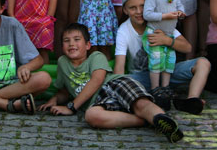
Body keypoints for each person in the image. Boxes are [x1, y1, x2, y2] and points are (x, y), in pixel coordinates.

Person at [40, 23, 184, 144]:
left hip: (115, 84)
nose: (71, 44)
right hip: (99, 101)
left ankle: (163, 120)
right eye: (66, 40)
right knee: (91, 116)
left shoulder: (96, 56)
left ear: (88, 45)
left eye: (77, 39)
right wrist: (54, 100)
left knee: (140, 104)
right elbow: (65, 90)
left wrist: (72, 107)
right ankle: (150, 121)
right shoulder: (62, 63)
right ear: (62, 46)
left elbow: (97, 80)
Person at [114, 0, 208, 115]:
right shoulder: (124, 30)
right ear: (125, 10)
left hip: (166, 75)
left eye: (142, 6)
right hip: (141, 79)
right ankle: (150, 100)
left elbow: (187, 47)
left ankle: (191, 100)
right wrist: (119, 86)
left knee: (203, 63)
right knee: (123, 80)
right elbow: (119, 67)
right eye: (133, 8)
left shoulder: (159, 22)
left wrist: (167, 40)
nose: (139, 11)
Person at [142, 0, 185, 90]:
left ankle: (165, 88)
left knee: (169, 60)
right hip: (154, 34)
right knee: (156, 60)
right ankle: (155, 88)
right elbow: (147, 14)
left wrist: (181, 12)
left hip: (169, 34)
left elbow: (179, 5)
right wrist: (165, 16)